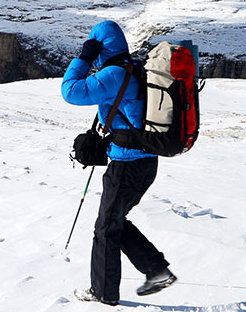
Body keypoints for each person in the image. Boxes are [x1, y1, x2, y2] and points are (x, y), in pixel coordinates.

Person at [62, 20, 176, 305]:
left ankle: (103, 294)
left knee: (105, 228)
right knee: (113, 222)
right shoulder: (134, 68)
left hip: (127, 165)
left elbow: (71, 92)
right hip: (145, 162)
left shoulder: (113, 73)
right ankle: (156, 270)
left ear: (99, 47)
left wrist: (83, 57)